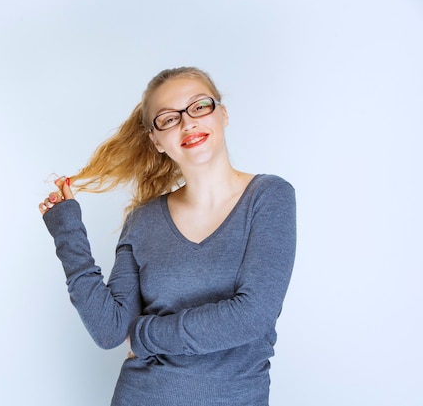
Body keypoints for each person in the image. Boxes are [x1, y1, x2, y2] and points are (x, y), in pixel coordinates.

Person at [38, 66, 296, 406]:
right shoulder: (143, 220)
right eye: (168, 119)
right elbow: (111, 330)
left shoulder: (269, 196)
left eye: (199, 106)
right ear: (155, 140)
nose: (188, 122)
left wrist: (144, 335)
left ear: (223, 114)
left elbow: (249, 318)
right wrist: (67, 232)